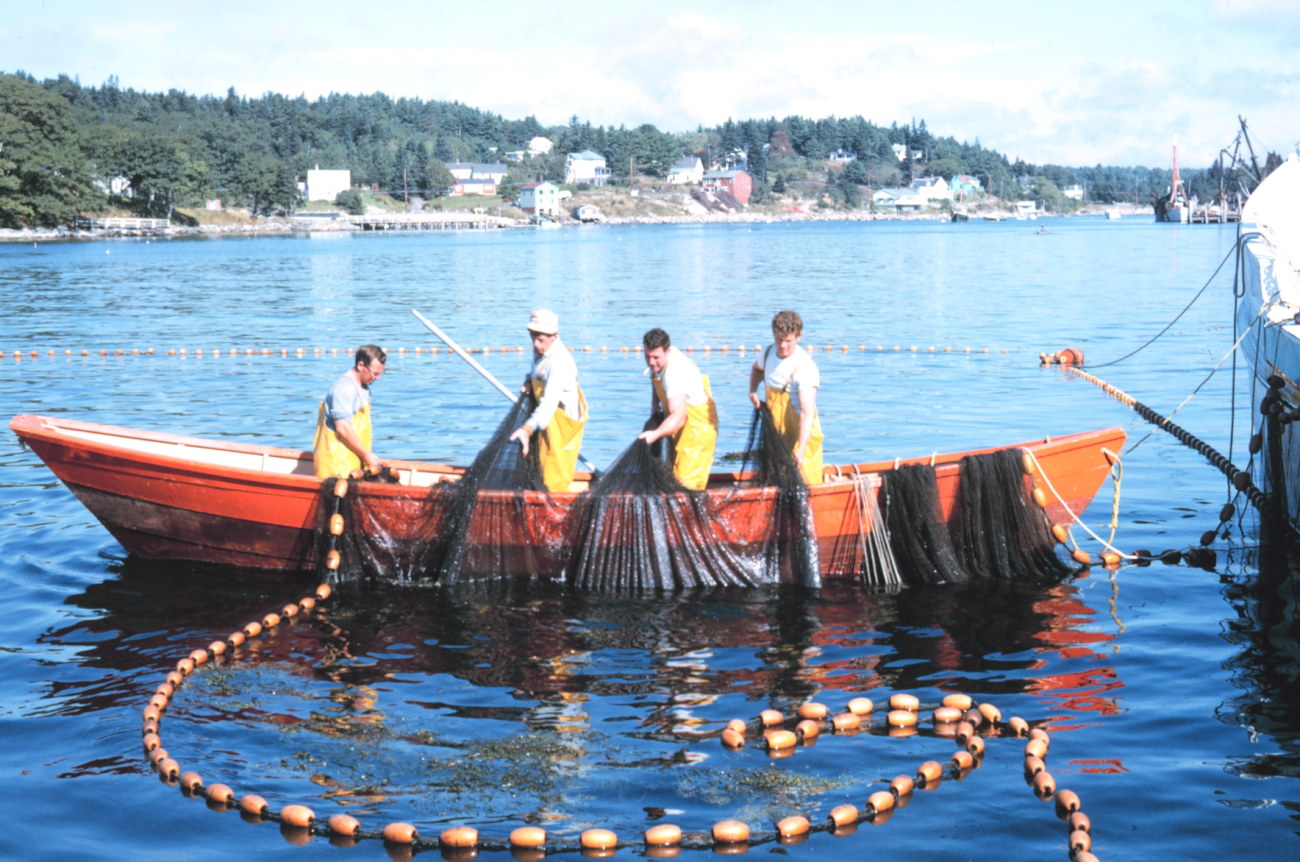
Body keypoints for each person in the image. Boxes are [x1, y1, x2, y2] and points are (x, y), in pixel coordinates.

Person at [508, 309, 588, 492]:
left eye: (540, 339)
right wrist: (529, 380)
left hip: (561, 426)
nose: (536, 344)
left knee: (553, 478)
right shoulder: (542, 350)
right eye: (532, 338)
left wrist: (526, 429)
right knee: (538, 470)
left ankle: (560, 511)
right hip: (546, 422)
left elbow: (548, 405)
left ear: (554, 336)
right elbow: (537, 370)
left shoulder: (559, 362)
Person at [637, 327, 718, 490]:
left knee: (686, 487)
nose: (651, 362)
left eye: (656, 357)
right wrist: (655, 403)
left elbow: (679, 417)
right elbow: (656, 376)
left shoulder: (675, 372)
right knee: (669, 479)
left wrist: (654, 434)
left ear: (667, 351)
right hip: (678, 429)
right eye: (647, 356)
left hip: (696, 433)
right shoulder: (661, 363)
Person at [748, 310, 823, 485]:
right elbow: (757, 369)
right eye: (778, 339)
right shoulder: (767, 354)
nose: (782, 346)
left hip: (802, 438)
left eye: (788, 341)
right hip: (777, 435)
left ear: (799, 336)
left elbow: (807, 412)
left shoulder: (805, 368)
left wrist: (801, 449)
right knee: (775, 480)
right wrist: (752, 390)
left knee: (804, 485)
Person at [313, 345, 387, 480]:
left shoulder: (364, 388)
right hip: (335, 467)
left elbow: (360, 432)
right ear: (360, 365)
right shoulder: (344, 387)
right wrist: (366, 455)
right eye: (375, 373)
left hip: (354, 465)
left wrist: (369, 455)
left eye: (381, 373)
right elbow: (343, 427)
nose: (378, 378)